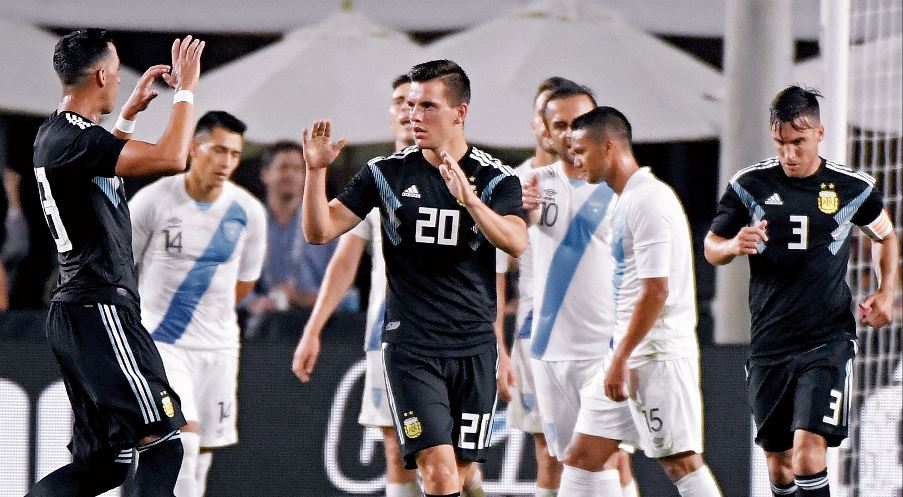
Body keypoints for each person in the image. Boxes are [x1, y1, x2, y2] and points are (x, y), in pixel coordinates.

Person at [300, 59, 527, 497]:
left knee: (458, 476)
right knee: (438, 474)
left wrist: (471, 203)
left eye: (427, 106)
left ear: (460, 112)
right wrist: (315, 173)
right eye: (408, 104)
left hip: (473, 347)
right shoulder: (385, 173)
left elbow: (516, 242)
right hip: (412, 347)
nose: (413, 115)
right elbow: (319, 231)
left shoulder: (496, 178)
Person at [27, 28, 204, 496]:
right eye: (117, 71)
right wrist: (186, 90)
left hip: (82, 309)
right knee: (164, 442)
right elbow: (172, 157)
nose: (121, 82)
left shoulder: (55, 132)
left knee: (103, 467)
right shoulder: (73, 139)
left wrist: (126, 118)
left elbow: (102, 173)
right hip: (98, 307)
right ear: (103, 73)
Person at [704, 86, 898, 497]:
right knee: (779, 468)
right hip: (770, 342)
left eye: (798, 142)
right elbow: (711, 247)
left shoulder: (851, 187)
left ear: (819, 133)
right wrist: (732, 245)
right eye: (780, 143)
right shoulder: (749, 185)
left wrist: (886, 291)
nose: (789, 154)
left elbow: (885, 236)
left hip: (826, 339)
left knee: (809, 456)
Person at [561, 106, 722, 497]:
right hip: (629, 356)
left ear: (609, 146)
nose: (576, 161)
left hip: (656, 357)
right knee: (583, 458)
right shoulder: (625, 201)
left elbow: (656, 290)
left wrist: (620, 359)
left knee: (681, 463)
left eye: (581, 151)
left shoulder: (648, 200)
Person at [291, 74, 424, 497]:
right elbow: (344, 261)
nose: (408, 110)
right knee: (396, 450)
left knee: (454, 463)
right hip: (386, 335)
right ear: (390, 114)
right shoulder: (376, 180)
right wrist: (313, 329)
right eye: (400, 101)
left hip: (450, 336)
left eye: (418, 102)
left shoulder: (468, 176)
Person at [130, 110, 266, 497]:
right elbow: (124, 268)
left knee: (203, 454)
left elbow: (246, 282)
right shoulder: (154, 201)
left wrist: (210, 315)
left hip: (220, 348)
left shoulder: (249, 212)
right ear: (193, 147)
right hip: (163, 345)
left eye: (235, 155)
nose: (226, 163)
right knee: (183, 447)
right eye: (218, 150)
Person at [520, 83, 637, 497]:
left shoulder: (625, 191)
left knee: (603, 459)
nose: (571, 135)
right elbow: (513, 240)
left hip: (604, 351)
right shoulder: (529, 185)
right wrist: (523, 213)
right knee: (565, 462)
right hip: (549, 350)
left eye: (580, 124)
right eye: (561, 125)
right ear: (545, 133)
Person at [244, 141, 338, 320]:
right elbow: (231, 281)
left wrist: (304, 298)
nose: (290, 175)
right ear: (265, 174)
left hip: (319, 325)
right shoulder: (249, 224)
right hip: (265, 326)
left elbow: (347, 293)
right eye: (283, 167)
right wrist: (253, 302)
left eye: (298, 169)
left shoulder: (326, 222)